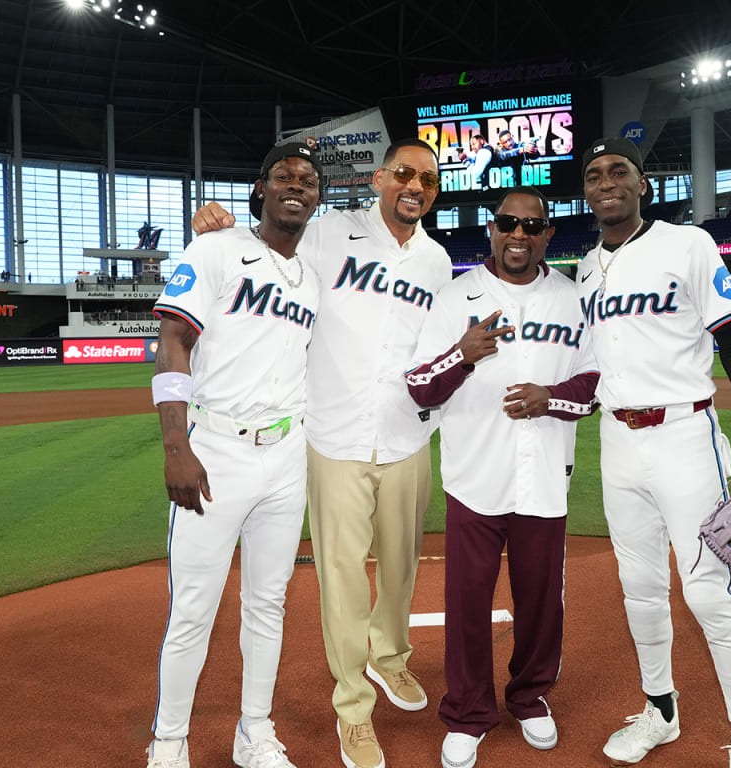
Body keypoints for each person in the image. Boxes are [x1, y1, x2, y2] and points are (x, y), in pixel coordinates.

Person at [192, 137, 452, 768]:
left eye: (427, 178)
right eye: (402, 173)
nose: (413, 185)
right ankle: (354, 709)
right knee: (341, 577)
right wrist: (215, 222)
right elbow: (266, 237)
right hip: (333, 435)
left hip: (406, 435)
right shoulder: (329, 233)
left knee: (400, 567)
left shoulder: (439, 261)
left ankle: (391, 659)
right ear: (378, 178)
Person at [574, 138, 731, 768]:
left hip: (684, 436)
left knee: (704, 589)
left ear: (643, 185)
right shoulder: (587, 268)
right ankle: (659, 710)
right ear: (586, 192)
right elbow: (591, 370)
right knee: (638, 584)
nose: (606, 181)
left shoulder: (687, 243)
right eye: (594, 175)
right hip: (617, 440)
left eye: (619, 171)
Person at [142, 142, 326, 768]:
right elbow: (171, 341)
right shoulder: (214, 250)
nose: (295, 184)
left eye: (306, 178)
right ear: (261, 188)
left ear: (318, 196)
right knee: (193, 608)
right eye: (283, 175)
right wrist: (176, 446)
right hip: (215, 449)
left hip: (286, 456)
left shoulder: (312, 276)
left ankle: (255, 732)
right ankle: (169, 742)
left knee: (267, 603)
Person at [404, 188, 598, 768]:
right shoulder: (455, 296)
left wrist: (550, 400)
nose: (519, 235)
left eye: (532, 226)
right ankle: (467, 712)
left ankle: (530, 694)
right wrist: (461, 355)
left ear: (548, 235)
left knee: (541, 601)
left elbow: (594, 387)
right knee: (467, 601)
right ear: (491, 229)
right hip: (474, 474)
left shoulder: (572, 298)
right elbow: (418, 387)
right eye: (508, 224)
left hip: (543, 473)